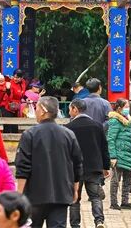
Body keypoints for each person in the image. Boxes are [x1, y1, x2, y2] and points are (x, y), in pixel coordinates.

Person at [16, 96, 84, 228]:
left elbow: (23, 166)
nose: (35, 111)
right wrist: (75, 189)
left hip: (34, 195)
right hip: (61, 194)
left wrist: (19, 194)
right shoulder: (68, 134)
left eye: (36, 108)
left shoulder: (29, 134)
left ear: (43, 111)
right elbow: (77, 165)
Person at [65, 98, 110, 228]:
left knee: (75, 198)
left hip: (75, 169)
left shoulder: (68, 128)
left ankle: (75, 225)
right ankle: (99, 221)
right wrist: (105, 166)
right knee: (95, 196)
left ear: (75, 109)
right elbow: (104, 147)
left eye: (70, 109)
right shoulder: (97, 126)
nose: (69, 112)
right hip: (94, 167)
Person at [106, 98, 131, 210]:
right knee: (115, 179)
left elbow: (125, 136)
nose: (128, 109)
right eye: (126, 106)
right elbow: (111, 139)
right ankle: (114, 202)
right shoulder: (115, 121)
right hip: (119, 154)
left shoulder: (127, 120)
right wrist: (113, 156)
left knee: (128, 179)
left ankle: (125, 201)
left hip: (128, 153)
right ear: (119, 108)